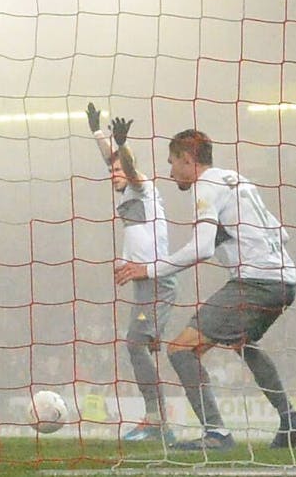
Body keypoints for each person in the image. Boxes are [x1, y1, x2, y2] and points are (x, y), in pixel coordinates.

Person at [115, 129, 296, 450]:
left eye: (172, 162)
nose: (170, 172)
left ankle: (216, 433)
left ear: (187, 159)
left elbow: (201, 248)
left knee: (180, 349)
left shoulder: (204, 187)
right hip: (286, 280)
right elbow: (281, 234)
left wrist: (148, 269)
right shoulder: (236, 180)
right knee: (242, 342)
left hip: (256, 283)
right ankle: (290, 419)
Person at [86, 104, 177, 442]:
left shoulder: (143, 187)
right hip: (143, 284)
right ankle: (157, 421)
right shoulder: (124, 192)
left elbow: (128, 167)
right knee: (139, 345)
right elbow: (112, 162)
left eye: (118, 171)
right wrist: (98, 133)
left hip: (158, 280)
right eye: (111, 172)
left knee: (135, 344)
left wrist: (123, 145)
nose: (113, 174)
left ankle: (156, 421)